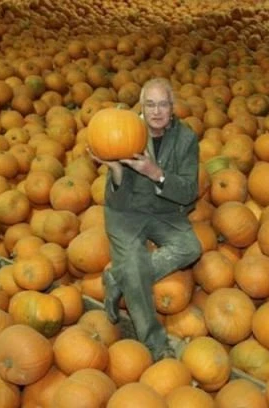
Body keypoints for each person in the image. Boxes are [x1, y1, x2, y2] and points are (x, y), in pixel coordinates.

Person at [89, 78, 202, 360]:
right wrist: (116, 171)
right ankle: (156, 343)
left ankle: (118, 277)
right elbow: (116, 200)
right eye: (150, 104)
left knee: (190, 247)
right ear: (141, 107)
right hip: (126, 212)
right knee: (135, 263)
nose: (156, 111)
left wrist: (155, 173)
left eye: (163, 104)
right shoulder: (123, 131)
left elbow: (189, 193)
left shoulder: (186, 139)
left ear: (172, 107)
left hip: (164, 211)